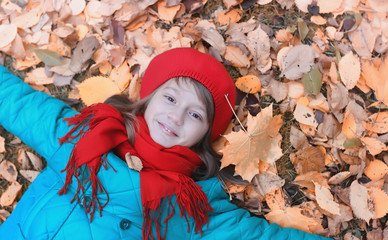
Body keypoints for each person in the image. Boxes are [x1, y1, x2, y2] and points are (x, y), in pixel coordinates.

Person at [0, 48, 330, 239]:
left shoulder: (193, 204)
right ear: (148, 98)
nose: (175, 116)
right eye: (170, 98)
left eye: (196, 115)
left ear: (205, 136)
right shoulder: (85, 130)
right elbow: (17, 103)